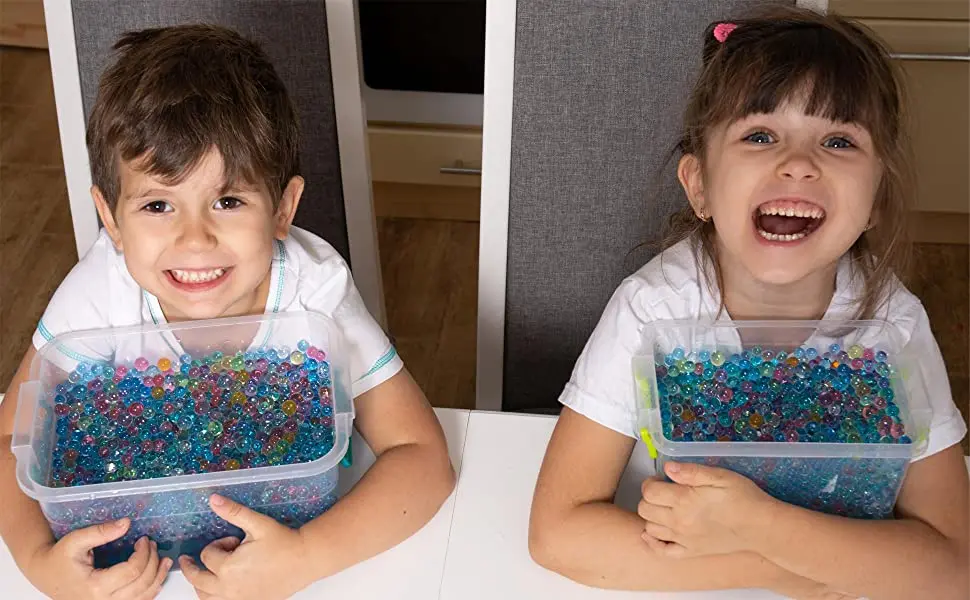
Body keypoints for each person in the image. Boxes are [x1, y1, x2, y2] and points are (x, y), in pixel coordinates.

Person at [0, 25, 454, 600]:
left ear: (283, 209)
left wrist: (306, 556)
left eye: (228, 200)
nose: (195, 239)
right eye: (157, 205)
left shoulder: (313, 290)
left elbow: (423, 460)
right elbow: (11, 438)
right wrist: (37, 561)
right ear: (110, 219)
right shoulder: (101, 290)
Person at [528, 8, 968, 600]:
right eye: (760, 136)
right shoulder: (656, 308)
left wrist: (759, 525)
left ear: (877, 200)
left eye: (838, 140)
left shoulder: (892, 324)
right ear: (700, 186)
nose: (799, 163)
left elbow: (952, 567)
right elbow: (558, 533)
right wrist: (779, 570)